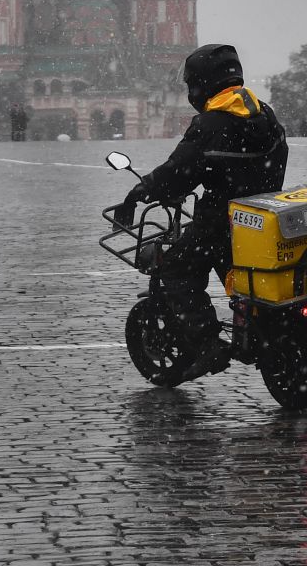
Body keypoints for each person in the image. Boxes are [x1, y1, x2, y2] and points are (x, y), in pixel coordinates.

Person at [112, 44, 288, 380]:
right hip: (261, 220)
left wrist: (140, 191)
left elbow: (179, 170)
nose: (192, 92)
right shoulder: (264, 114)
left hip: (220, 223)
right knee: (248, 281)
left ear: (204, 84)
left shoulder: (211, 123)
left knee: (175, 272)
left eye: (193, 84)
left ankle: (209, 346)